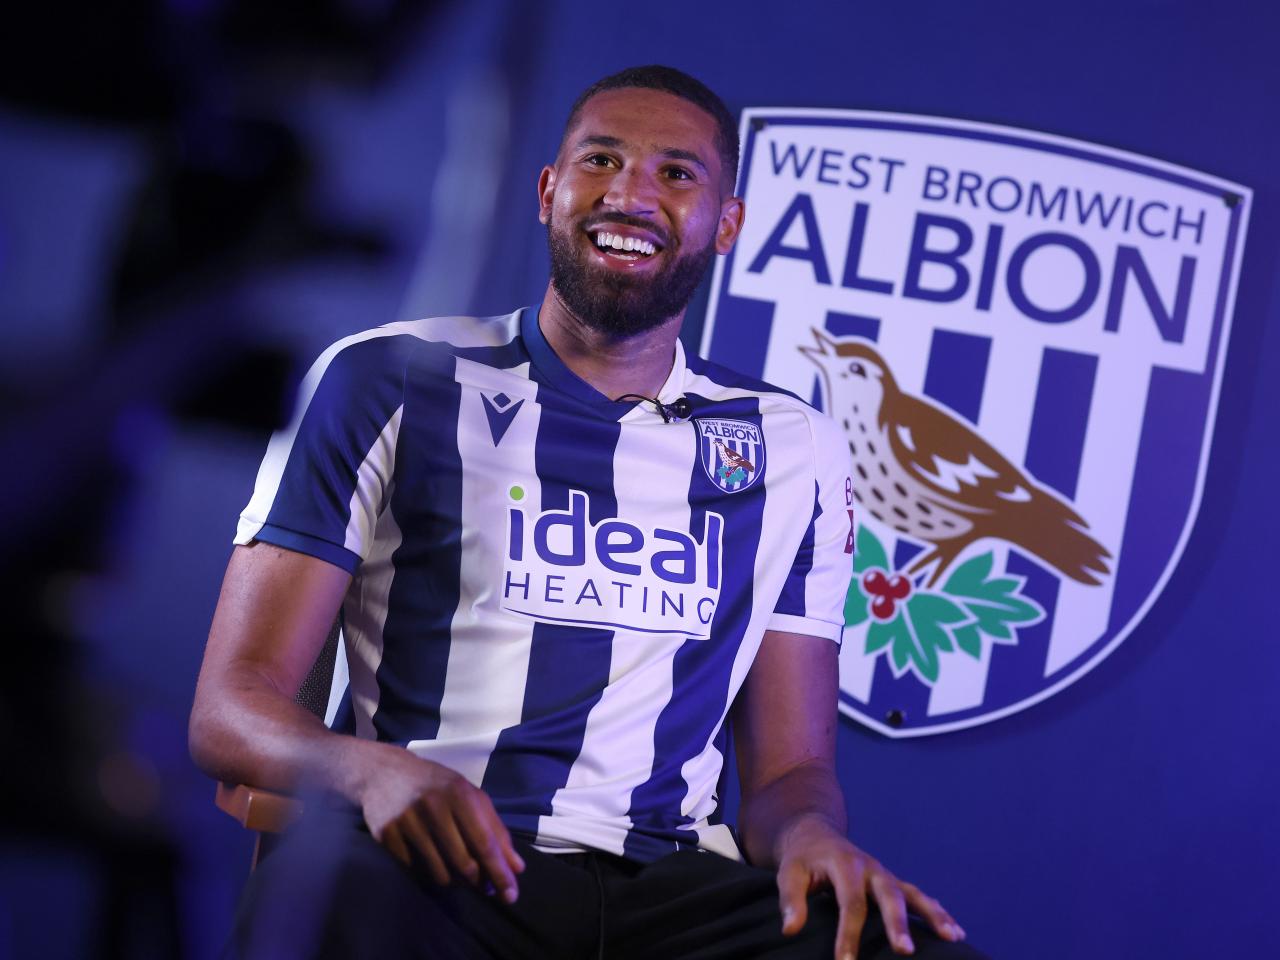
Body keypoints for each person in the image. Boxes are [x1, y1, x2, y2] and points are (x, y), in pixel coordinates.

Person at [190, 65, 986, 960]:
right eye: (600, 159)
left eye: (676, 174)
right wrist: (370, 771)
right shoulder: (389, 379)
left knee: (907, 950)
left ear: (726, 226)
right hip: (433, 871)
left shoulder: (791, 445)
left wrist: (811, 838)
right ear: (547, 193)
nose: (629, 194)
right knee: (333, 904)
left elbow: (792, 771)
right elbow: (231, 708)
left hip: (671, 892)